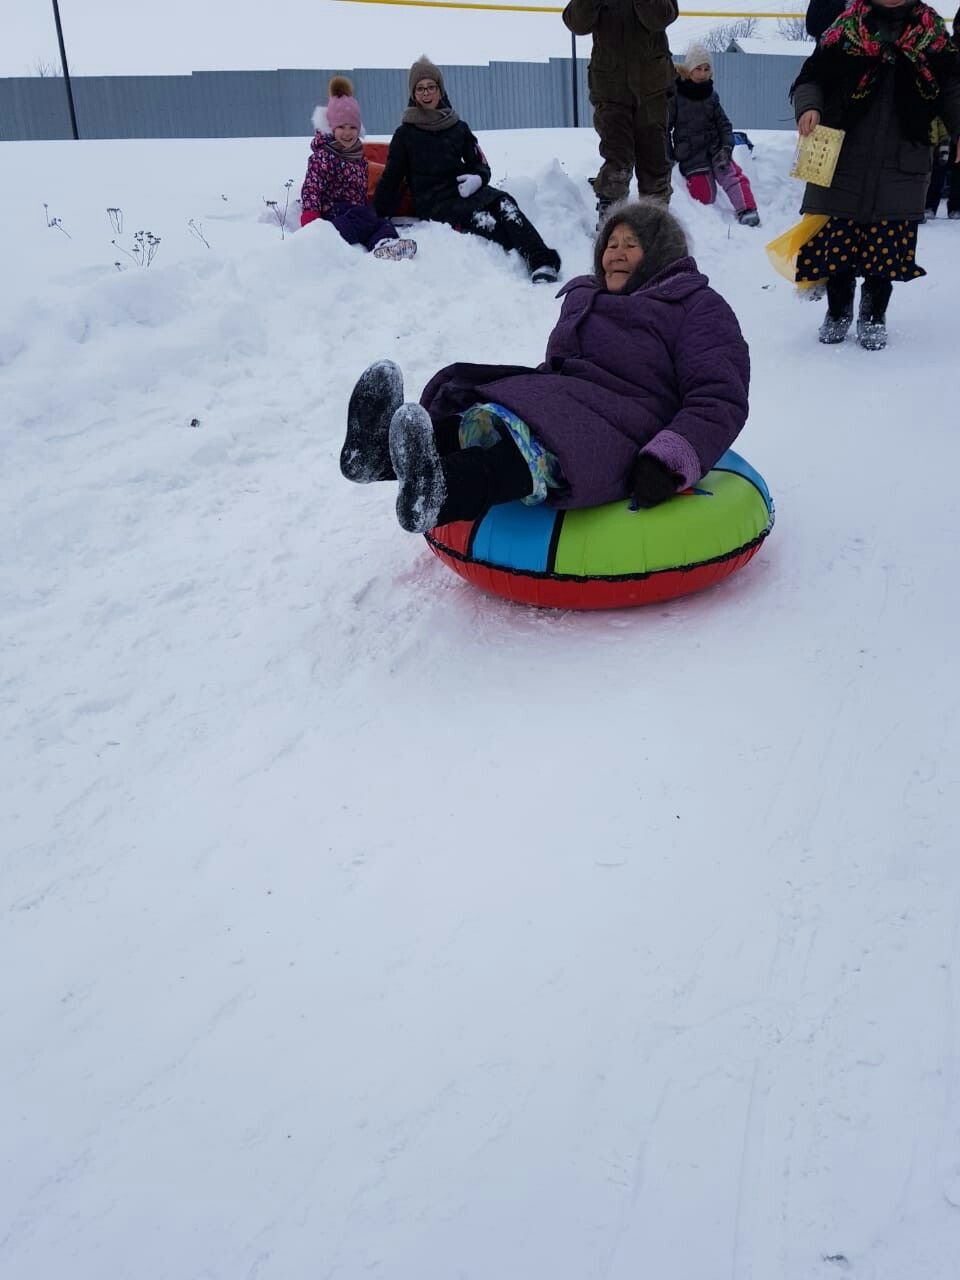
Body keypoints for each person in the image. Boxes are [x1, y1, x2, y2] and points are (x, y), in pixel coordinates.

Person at [340, 200, 749, 534]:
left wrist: (668, 458)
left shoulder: (696, 307)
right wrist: (523, 396)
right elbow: (561, 364)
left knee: (532, 450)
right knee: (487, 420)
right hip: (571, 401)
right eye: (611, 243)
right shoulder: (587, 296)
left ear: (659, 253)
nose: (616, 253)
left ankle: (438, 496)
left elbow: (718, 397)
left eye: (632, 244)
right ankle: (374, 457)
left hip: (628, 423)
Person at [791, 0, 960, 350]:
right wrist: (809, 106)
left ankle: (873, 314)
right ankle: (837, 311)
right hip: (842, 156)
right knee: (836, 244)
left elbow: (953, 89)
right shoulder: (846, 26)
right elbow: (813, 76)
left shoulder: (932, 34)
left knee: (884, 251)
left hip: (903, 158)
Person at [373, 55, 561, 284]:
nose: (426, 93)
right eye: (420, 88)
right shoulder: (405, 133)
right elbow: (391, 177)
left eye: (431, 87)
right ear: (413, 94)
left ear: (440, 90)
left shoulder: (457, 126)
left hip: (467, 191)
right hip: (436, 203)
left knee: (505, 205)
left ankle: (542, 262)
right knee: (487, 221)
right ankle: (532, 257)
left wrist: (477, 179)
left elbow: (481, 165)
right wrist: (375, 214)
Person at [562, 0, 679, 222]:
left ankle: (655, 222)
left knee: (655, 160)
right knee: (617, 158)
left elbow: (660, 18)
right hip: (610, 88)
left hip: (651, 88)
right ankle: (611, 220)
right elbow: (577, 23)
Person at [299, 77, 416, 260]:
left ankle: (385, 244)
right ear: (331, 128)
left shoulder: (358, 156)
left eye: (352, 127)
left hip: (354, 213)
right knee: (363, 217)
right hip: (332, 218)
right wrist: (311, 218)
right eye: (342, 127)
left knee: (378, 222)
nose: (347, 133)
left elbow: (360, 189)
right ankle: (334, 245)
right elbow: (312, 188)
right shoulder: (323, 156)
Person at [668, 43, 761, 226]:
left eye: (706, 69)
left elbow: (724, 125)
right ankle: (705, 182)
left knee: (731, 176)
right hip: (691, 154)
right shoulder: (676, 97)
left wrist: (726, 147)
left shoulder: (712, 96)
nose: (702, 73)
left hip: (715, 148)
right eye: (698, 69)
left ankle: (747, 209)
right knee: (705, 196)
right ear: (689, 71)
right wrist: (669, 155)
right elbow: (665, 128)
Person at [925, 116, 960, 218]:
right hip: (942, 136)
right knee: (937, 173)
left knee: (957, 174)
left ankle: (956, 207)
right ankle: (929, 206)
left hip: (953, 136)